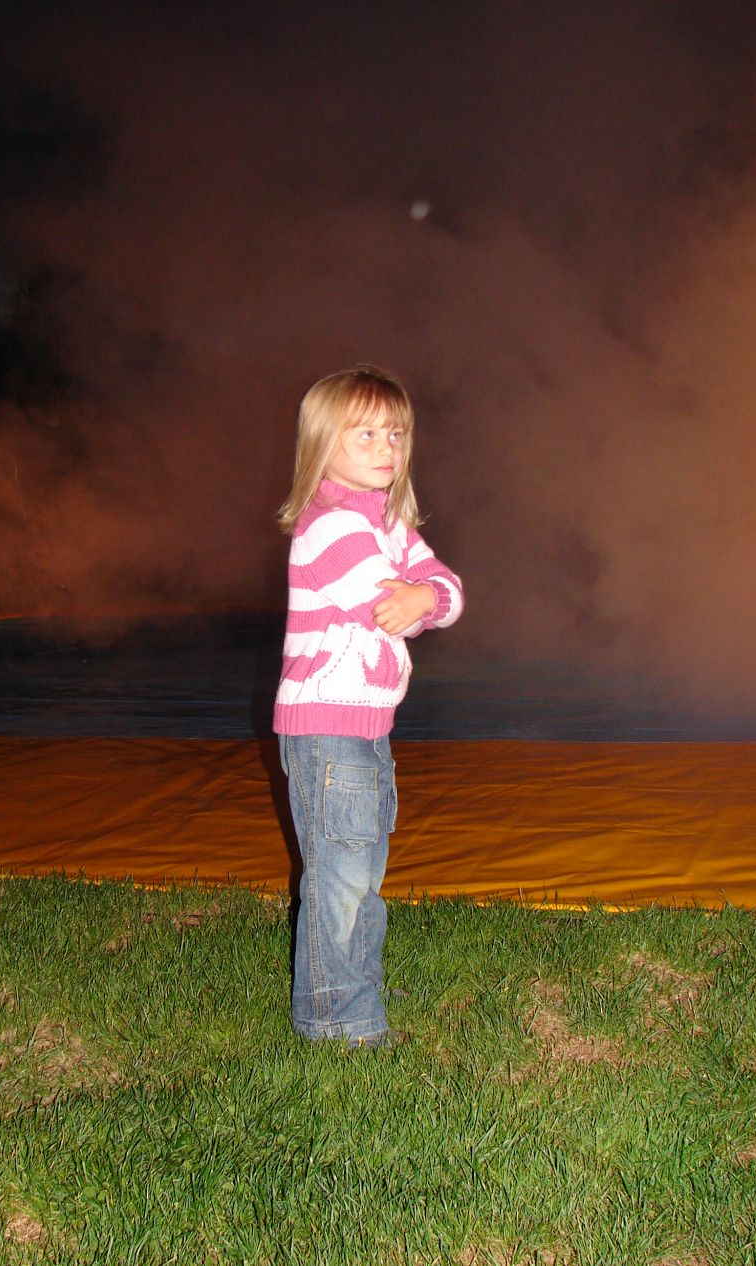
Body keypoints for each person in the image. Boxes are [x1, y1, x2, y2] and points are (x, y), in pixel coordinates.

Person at [274, 365, 464, 1048]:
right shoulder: (331, 528)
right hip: (328, 730)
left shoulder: (388, 522)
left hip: (365, 729)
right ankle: (337, 1018)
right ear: (324, 446)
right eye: (366, 435)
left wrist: (428, 595)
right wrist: (420, 598)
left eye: (396, 434)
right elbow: (391, 605)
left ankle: (354, 993)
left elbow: (448, 590)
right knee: (341, 880)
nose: (387, 447)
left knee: (360, 876)